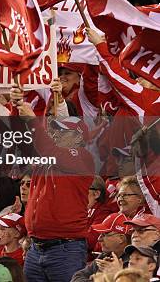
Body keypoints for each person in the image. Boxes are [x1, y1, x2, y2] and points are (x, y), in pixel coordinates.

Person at [13, 91, 95, 282]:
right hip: (36, 247)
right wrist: (16, 105)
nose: (55, 133)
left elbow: (47, 147)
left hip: (65, 249)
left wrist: (32, 121)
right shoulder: (47, 156)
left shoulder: (82, 157)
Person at [72, 212, 132, 282]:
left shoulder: (134, 261)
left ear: (121, 239)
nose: (99, 239)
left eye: (104, 234)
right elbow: (77, 276)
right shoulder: (105, 255)